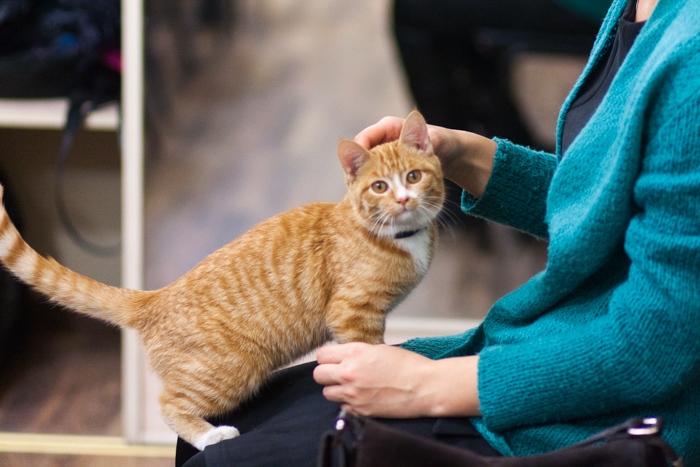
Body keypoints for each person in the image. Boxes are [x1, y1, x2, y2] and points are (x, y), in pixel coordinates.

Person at [177, 0, 700, 464]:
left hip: (606, 415)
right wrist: (467, 155)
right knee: (223, 420)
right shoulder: (635, 8)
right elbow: (605, 205)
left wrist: (427, 384)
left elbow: (650, 349)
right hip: (548, 343)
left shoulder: (690, 57)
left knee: (231, 458)